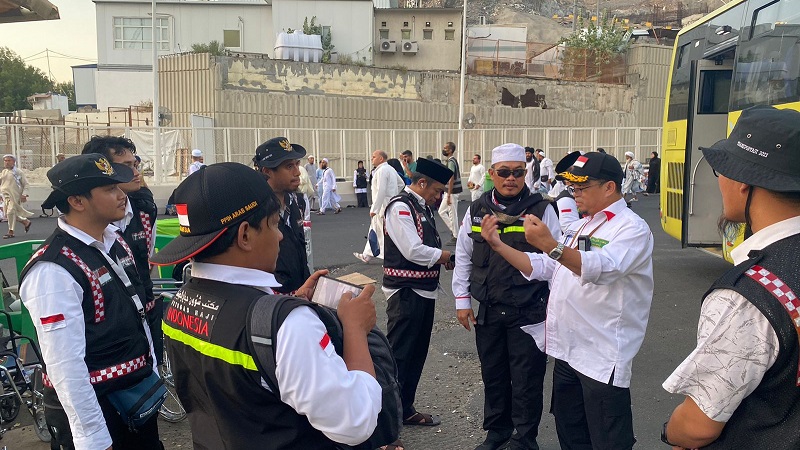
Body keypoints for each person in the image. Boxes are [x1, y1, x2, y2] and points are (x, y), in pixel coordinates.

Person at [151, 162, 382, 449]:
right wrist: (355, 329)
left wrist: (284, 305)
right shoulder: (289, 326)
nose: (281, 235)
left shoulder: (179, 303)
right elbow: (355, 421)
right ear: (245, 235)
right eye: (273, 224)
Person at [478, 151, 654, 450]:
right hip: (569, 351)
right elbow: (547, 266)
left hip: (601, 356)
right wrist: (498, 245)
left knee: (608, 440)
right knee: (571, 435)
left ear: (609, 187)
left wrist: (550, 244)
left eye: (581, 188)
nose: (575, 195)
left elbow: (602, 269)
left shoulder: (632, 229)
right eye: (572, 188)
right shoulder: (582, 225)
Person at [662, 106, 800, 449]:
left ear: (742, 182)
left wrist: (669, 432)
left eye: (721, 170)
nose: (719, 179)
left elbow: (697, 426)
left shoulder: (749, 294)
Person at [20, 154, 163, 450]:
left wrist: (153, 373)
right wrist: (93, 437)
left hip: (135, 398)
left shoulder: (113, 239)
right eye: (109, 189)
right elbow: (64, 364)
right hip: (100, 412)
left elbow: (135, 312)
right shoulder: (53, 269)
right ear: (77, 201)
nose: (122, 194)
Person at [452, 143, 561, 450]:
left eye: (517, 172)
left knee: (526, 380)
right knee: (494, 375)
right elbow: (464, 255)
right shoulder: (477, 209)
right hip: (489, 309)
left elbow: (556, 263)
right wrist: (462, 301)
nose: (510, 178)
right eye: (504, 172)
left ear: (525, 173)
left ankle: (525, 439)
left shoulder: (542, 210)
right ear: (492, 174)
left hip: (528, 311)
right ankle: (497, 431)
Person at [383, 157, 454, 429]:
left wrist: (441, 259)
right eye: (436, 190)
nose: (439, 196)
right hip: (405, 293)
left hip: (423, 291)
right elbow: (412, 249)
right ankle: (386, 421)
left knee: (416, 355)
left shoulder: (421, 206)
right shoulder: (401, 206)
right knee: (399, 357)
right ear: (421, 183)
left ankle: (405, 408)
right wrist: (445, 255)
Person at [81, 136, 161, 364]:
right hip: (106, 329)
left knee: (151, 379)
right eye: (126, 167)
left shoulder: (145, 207)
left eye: (136, 164)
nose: (136, 172)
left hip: (145, 311)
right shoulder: (81, 220)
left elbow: (148, 257)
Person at [253, 137, 312, 295]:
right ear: (267, 171)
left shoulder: (298, 201)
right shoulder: (255, 210)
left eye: (297, 164)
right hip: (272, 302)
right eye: (289, 166)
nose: (297, 172)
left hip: (302, 293)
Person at [354, 150, 404, 263]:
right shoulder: (390, 169)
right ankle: (367, 255)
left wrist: (374, 209)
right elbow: (401, 184)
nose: (372, 159)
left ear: (381, 158)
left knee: (382, 232)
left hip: (382, 207)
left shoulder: (382, 171)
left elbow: (381, 191)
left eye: (374, 157)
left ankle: (387, 258)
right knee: (374, 229)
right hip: (389, 204)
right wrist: (394, 195)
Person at [0, 154, 33, 239]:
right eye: (5, 161)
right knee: (8, 214)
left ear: (13, 162)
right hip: (5, 196)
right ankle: (26, 222)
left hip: (14, 197)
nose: (6, 163)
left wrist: (24, 194)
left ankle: (11, 231)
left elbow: (26, 184)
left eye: (8, 161)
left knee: (10, 212)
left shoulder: (18, 172)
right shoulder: (4, 172)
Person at [439, 141, 462, 245]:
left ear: (451, 150)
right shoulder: (450, 161)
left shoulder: (451, 161)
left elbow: (451, 178)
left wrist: (448, 194)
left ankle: (456, 236)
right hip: (449, 191)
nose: (444, 150)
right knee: (441, 211)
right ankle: (454, 231)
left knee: (452, 214)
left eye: (446, 148)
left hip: (452, 191)